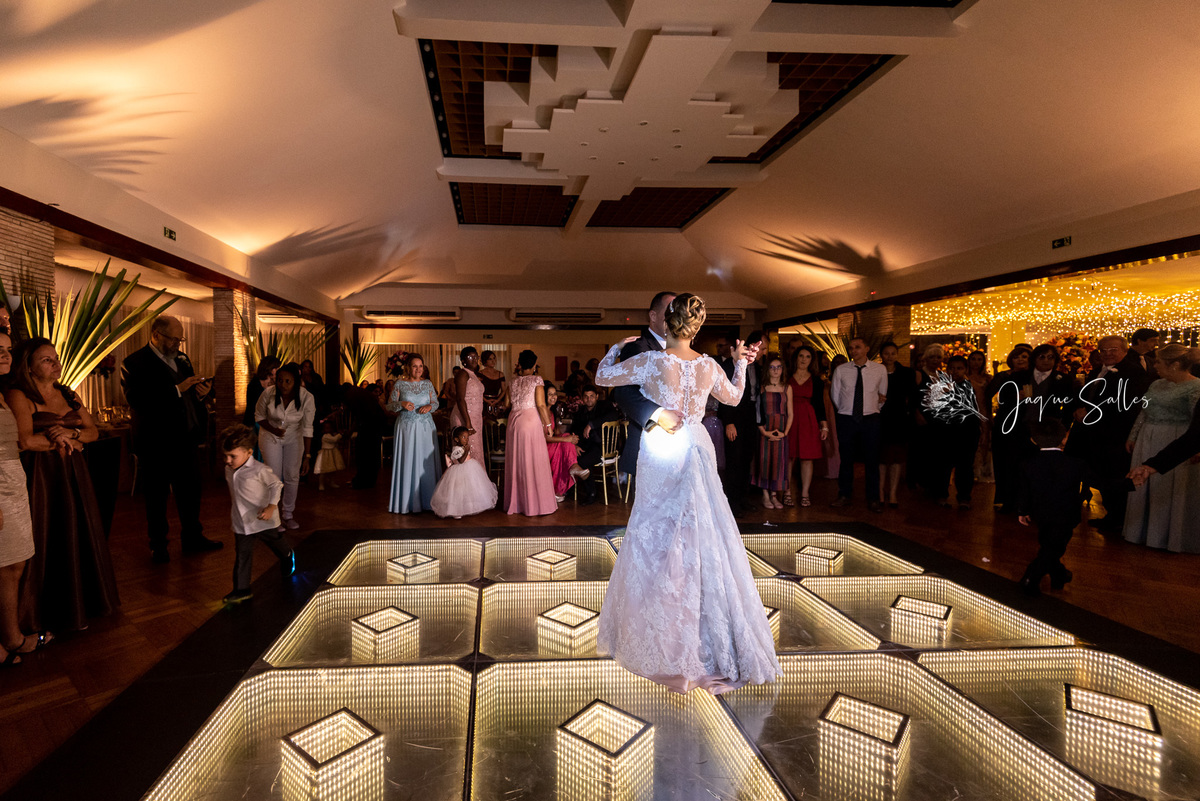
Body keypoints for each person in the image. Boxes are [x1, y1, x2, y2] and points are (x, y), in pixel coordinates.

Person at [595, 293, 780, 694]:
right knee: (701, 533)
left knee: (656, 534)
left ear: (667, 323)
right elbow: (732, 397)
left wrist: (616, 349)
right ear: (696, 327)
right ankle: (705, 627)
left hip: (663, 448)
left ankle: (664, 628)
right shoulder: (709, 365)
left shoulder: (652, 360)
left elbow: (603, 377)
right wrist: (742, 364)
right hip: (696, 442)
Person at [8, 337, 118, 633]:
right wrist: (57, 439)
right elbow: (24, 440)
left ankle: (82, 603)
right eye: (47, 360)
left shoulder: (68, 394)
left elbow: (93, 431)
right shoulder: (20, 395)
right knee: (46, 532)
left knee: (77, 529)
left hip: (73, 472)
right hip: (41, 476)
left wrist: (72, 438)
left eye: (55, 358)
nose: (56, 364)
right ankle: (41, 611)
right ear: (29, 366)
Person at [122, 314, 222, 562]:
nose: (178, 344)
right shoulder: (134, 363)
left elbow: (188, 396)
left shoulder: (183, 360)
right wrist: (177, 389)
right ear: (156, 334)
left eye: (181, 339)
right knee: (156, 496)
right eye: (174, 339)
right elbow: (138, 400)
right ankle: (159, 545)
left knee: (190, 491)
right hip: (155, 443)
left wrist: (202, 393)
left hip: (185, 439)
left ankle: (193, 537)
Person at [1067, 335, 1149, 533]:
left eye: (1112, 350)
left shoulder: (1133, 372)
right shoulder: (1096, 371)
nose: (1107, 354)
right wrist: (1078, 407)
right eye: (1103, 350)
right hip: (1093, 434)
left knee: (1115, 476)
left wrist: (1092, 412)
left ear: (1124, 350)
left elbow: (1127, 405)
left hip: (1114, 434)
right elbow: (1085, 396)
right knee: (1101, 475)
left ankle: (1118, 519)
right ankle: (1110, 516)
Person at [1122, 344, 1200, 552]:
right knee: (1146, 485)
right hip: (1150, 436)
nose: (1153, 365)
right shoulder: (1156, 384)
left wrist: (1196, 448)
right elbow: (1144, 411)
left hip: (1176, 437)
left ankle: (1170, 536)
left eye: (1157, 361)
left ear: (1174, 364)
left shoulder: (1196, 387)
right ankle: (1141, 532)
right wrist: (1134, 435)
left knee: (1170, 488)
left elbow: (1196, 424)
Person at [0, 331, 39, 664]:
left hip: (13, 483)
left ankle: (10, 636)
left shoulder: (3, 392)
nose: (4, 355)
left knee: (13, 565)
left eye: (7, 350)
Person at [612, 291, 679, 483]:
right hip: (650, 439)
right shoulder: (638, 347)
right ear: (653, 316)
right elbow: (623, 392)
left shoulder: (682, 350)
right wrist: (658, 415)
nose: (675, 317)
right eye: (670, 311)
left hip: (679, 444)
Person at [219, 424, 290, 604]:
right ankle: (242, 589)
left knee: (275, 543)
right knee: (242, 555)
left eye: (232, 456)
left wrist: (271, 506)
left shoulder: (259, 470)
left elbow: (276, 485)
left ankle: (287, 555)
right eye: (225, 456)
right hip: (242, 523)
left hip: (263, 519)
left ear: (249, 453)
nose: (227, 460)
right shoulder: (229, 469)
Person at [1017, 420, 1085, 596]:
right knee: (1053, 548)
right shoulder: (1074, 464)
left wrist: (1022, 511)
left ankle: (1059, 575)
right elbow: (1100, 482)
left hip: (1041, 514)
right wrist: (1129, 483)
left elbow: (1025, 491)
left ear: (1033, 440)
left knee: (1049, 545)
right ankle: (1030, 578)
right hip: (1066, 515)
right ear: (1063, 439)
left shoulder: (1028, 463)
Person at [254, 362, 315, 530]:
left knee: (292, 475)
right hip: (270, 436)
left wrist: (307, 456)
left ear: (296, 381)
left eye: (288, 381)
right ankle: (273, 516)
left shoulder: (306, 398)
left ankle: (288, 514)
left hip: (294, 437)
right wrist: (274, 430)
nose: (283, 385)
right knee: (274, 476)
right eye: (280, 380)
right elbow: (259, 416)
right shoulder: (268, 394)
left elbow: (308, 427)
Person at [830, 337, 887, 511]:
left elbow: (882, 395)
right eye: (851, 348)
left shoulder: (879, 369)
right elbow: (835, 395)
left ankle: (873, 498)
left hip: (870, 418)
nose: (853, 351)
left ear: (867, 348)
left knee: (872, 459)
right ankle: (844, 495)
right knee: (846, 459)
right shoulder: (841, 370)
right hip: (847, 418)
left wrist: (869, 409)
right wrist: (848, 410)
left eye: (857, 347)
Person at [924, 355, 982, 509]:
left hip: (967, 432)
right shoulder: (939, 386)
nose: (955, 371)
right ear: (947, 369)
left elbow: (980, 410)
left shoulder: (972, 387)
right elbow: (930, 408)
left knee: (965, 467)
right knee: (942, 465)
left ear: (965, 369)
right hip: (944, 432)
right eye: (952, 368)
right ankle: (941, 495)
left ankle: (964, 498)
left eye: (959, 368)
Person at [504, 350, 558, 516]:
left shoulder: (512, 382)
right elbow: (541, 405)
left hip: (514, 422)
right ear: (534, 365)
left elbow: (507, 404)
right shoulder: (537, 380)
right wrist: (548, 424)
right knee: (533, 461)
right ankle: (535, 504)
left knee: (517, 462)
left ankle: (517, 503)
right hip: (530, 420)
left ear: (519, 364)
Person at [386, 354, 441, 514]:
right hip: (407, 426)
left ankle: (427, 500)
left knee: (426, 460)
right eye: (415, 366)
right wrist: (400, 403)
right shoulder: (400, 384)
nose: (418, 369)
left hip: (425, 427)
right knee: (408, 459)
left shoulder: (428, 384)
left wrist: (430, 407)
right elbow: (389, 406)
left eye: (421, 366)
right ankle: (407, 502)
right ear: (408, 368)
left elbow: (435, 402)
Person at [719, 329, 764, 515]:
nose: (763, 352)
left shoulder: (759, 368)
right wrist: (729, 422)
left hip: (751, 416)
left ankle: (743, 497)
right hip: (734, 416)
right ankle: (733, 500)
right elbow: (724, 395)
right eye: (763, 347)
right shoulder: (730, 365)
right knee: (734, 459)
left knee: (747, 457)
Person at [986, 345, 1033, 513]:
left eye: (1024, 357)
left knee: (1022, 462)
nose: (1020, 359)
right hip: (1005, 421)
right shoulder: (1003, 376)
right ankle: (1004, 499)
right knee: (1002, 460)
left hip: (1025, 424)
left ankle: (1022, 501)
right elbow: (988, 394)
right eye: (1016, 357)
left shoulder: (1033, 376)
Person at [431, 426, 498, 518]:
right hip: (459, 471)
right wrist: (466, 451)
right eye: (463, 437)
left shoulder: (463, 446)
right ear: (456, 439)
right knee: (459, 490)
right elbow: (461, 460)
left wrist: (466, 450)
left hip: (470, 467)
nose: (466, 439)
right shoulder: (456, 449)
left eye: (467, 437)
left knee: (470, 488)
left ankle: (469, 507)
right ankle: (457, 510)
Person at [877, 342, 914, 507]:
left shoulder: (906, 372)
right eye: (886, 353)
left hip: (899, 418)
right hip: (880, 417)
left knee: (897, 458)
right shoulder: (875, 371)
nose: (890, 356)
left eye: (893, 353)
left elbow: (911, 395)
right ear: (881, 355)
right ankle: (879, 492)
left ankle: (892, 492)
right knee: (881, 457)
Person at [754, 353, 791, 509]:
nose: (775, 370)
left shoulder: (787, 388)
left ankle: (775, 495)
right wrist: (763, 431)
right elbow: (756, 411)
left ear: (782, 370)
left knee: (778, 462)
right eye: (772, 367)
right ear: (767, 370)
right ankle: (765, 495)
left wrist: (785, 432)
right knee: (764, 461)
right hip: (765, 426)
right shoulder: (761, 387)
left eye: (778, 367)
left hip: (781, 427)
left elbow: (791, 413)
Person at [570, 385, 617, 504]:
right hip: (585, 446)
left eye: (591, 396)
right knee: (571, 458)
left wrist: (591, 424)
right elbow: (572, 430)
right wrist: (574, 445)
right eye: (586, 397)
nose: (589, 399)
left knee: (582, 462)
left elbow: (613, 416)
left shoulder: (605, 406)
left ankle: (591, 493)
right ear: (582, 398)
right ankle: (568, 490)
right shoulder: (580, 411)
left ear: (596, 397)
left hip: (602, 446)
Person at [543, 385, 588, 499]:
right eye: (550, 394)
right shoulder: (541, 414)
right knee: (566, 437)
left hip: (551, 446)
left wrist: (573, 444)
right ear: (543, 396)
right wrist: (567, 439)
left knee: (567, 439)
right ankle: (573, 467)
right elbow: (544, 438)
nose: (553, 397)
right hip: (542, 448)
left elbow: (556, 434)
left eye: (555, 394)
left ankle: (573, 468)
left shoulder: (552, 413)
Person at [451, 347, 484, 463]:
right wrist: (468, 423)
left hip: (475, 418)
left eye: (476, 357)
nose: (474, 360)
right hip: (464, 417)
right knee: (466, 453)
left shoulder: (473, 375)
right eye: (471, 357)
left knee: (476, 450)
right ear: (463, 360)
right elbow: (460, 399)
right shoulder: (462, 374)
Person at [965, 349, 994, 482]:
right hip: (968, 412)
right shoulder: (964, 376)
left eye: (979, 359)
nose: (976, 363)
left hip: (984, 411)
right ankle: (970, 470)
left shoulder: (987, 378)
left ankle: (983, 471)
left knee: (984, 440)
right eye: (973, 359)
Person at [244, 356, 280, 426]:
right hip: (254, 422)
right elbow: (252, 407)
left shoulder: (275, 384)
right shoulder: (254, 384)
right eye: (276, 368)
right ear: (270, 368)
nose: (278, 371)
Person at [312, 418, 345, 490]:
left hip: (332, 453)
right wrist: (340, 434)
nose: (329, 430)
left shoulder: (331, 435)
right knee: (323, 471)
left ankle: (331, 482)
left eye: (330, 428)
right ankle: (321, 484)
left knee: (333, 470)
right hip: (325, 455)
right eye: (327, 428)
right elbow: (334, 440)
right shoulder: (325, 436)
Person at [478, 350, 509, 418]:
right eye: (490, 359)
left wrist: (497, 400)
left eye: (494, 358)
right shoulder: (480, 374)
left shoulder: (500, 374)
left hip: (496, 402)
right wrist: (486, 400)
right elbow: (477, 391)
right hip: (483, 402)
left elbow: (504, 390)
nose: (493, 361)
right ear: (485, 361)